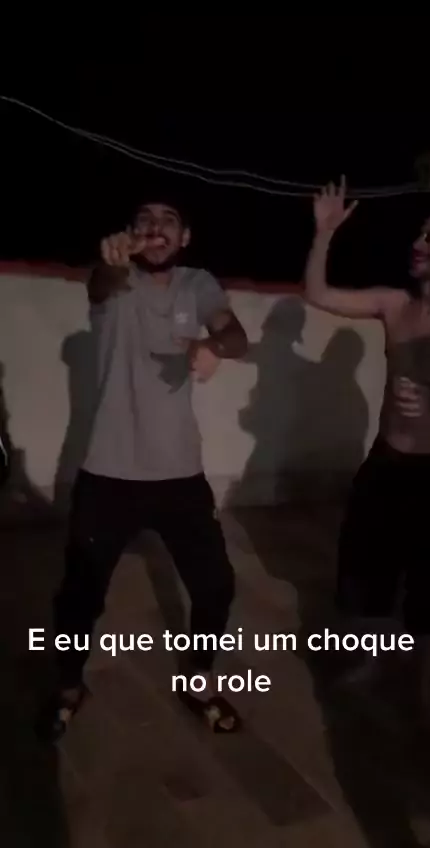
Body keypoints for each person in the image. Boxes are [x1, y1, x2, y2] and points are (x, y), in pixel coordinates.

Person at [43, 194, 248, 740]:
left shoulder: (197, 284)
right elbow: (100, 285)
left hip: (180, 475)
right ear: (130, 233)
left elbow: (236, 334)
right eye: (144, 220)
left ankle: (198, 679)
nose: (156, 228)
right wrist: (110, 263)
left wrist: (214, 346)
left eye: (168, 220)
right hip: (107, 473)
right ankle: (69, 685)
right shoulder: (115, 280)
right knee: (79, 594)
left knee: (216, 586)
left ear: (185, 237)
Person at [304, 178, 430, 704]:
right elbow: (317, 293)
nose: (419, 244)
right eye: (420, 234)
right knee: (365, 572)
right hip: (384, 465)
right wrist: (324, 233)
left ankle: (422, 682)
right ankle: (372, 662)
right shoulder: (394, 304)